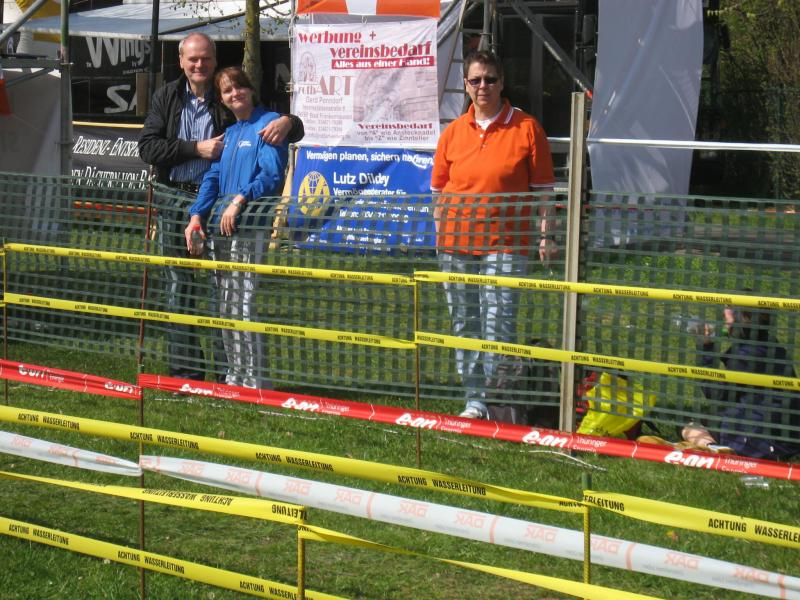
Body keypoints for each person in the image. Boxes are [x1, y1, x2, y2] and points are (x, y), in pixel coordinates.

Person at [138, 32, 303, 382]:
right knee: (178, 287)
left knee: (222, 292)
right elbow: (148, 148)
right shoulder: (166, 96)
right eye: (193, 59)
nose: (199, 65)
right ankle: (187, 373)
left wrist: (289, 121)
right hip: (175, 200)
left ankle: (228, 373)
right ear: (181, 61)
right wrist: (194, 148)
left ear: (214, 60)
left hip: (219, 204)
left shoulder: (227, 90)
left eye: (206, 58)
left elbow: (269, 120)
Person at [430, 49, 557, 419]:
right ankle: (475, 400)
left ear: (502, 83)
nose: (482, 86)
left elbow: (544, 191)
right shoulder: (453, 132)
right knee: (464, 322)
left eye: (490, 79)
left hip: (507, 244)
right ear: (466, 85)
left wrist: (547, 235)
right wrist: (441, 235)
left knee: (498, 322)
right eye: (475, 80)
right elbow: (438, 191)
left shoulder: (527, 128)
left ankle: (496, 398)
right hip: (455, 245)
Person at [184, 67, 288, 389]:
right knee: (226, 304)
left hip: (250, 226)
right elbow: (212, 178)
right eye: (227, 91)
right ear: (223, 99)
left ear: (250, 89)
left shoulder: (269, 124)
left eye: (239, 87)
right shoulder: (229, 134)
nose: (235, 94)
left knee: (244, 303)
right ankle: (234, 375)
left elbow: (271, 175)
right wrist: (196, 215)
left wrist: (240, 200)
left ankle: (256, 381)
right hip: (221, 229)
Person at [693, 304, 800, 460]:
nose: (724, 320)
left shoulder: (745, 355)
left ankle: (713, 448)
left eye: (727, 315)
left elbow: (715, 393)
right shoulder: (772, 345)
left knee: (689, 422)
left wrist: (705, 348)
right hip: (788, 441)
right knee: (710, 417)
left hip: (756, 444)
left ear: (742, 318)